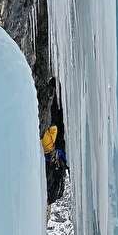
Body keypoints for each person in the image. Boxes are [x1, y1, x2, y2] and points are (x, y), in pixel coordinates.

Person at [41, 80, 68, 208]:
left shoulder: (54, 192)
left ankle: (54, 90)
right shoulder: (53, 192)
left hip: (54, 147)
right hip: (54, 147)